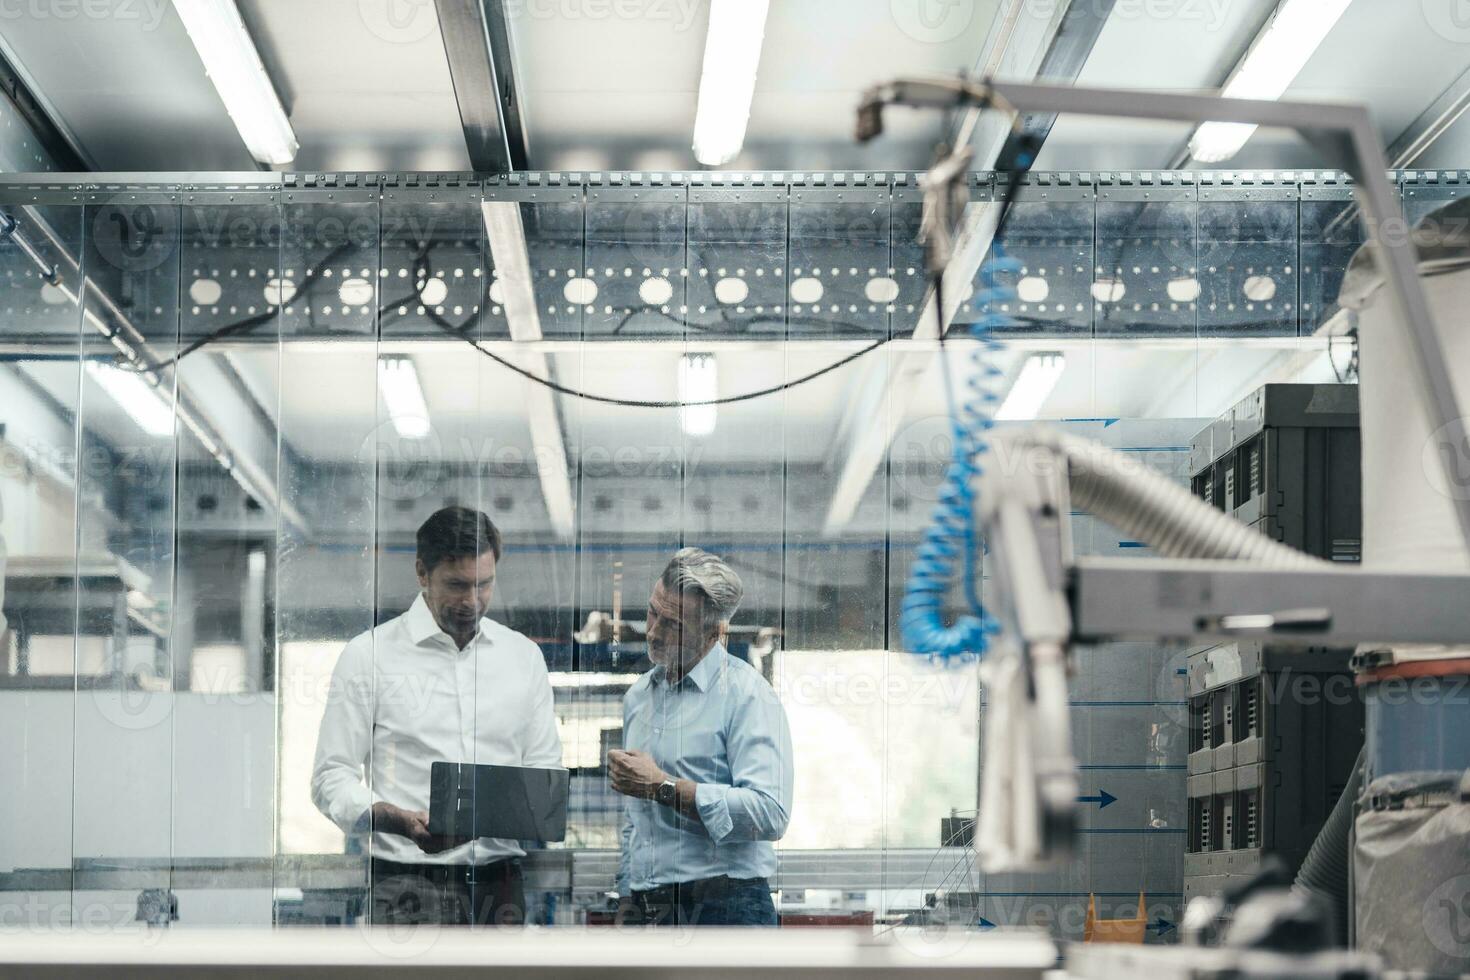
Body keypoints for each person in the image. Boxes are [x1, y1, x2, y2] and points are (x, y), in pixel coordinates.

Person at [311, 506, 561, 926]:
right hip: (404, 883)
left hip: (499, 886)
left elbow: (544, 771)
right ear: (422, 574)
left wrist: (526, 805)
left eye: (484, 584)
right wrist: (395, 819)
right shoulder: (369, 656)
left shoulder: (523, 657)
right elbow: (330, 778)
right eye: (456, 585)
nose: (471, 600)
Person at [608, 547, 793, 927]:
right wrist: (628, 894)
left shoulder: (746, 695)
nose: (654, 631)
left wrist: (663, 787)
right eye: (652, 612)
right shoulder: (639, 697)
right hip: (650, 907)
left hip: (726, 907)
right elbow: (636, 815)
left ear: (714, 632)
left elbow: (770, 814)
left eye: (673, 624)